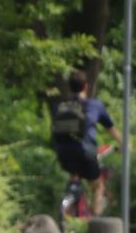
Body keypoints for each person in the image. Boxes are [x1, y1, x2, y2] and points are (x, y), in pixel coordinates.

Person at [51, 69, 122, 216]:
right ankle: (96, 220)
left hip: (63, 151)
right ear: (86, 87)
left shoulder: (60, 106)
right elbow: (112, 130)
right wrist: (125, 144)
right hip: (85, 151)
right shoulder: (95, 105)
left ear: (70, 87)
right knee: (97, 186)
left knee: (75, 176)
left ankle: (70, 205)